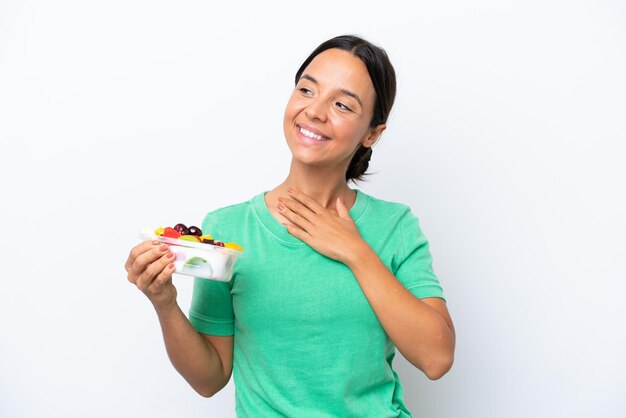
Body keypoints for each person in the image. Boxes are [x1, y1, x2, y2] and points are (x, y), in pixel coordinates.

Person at [125, 34, 455, 417]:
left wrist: (354, 250)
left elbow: (437, 358)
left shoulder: (395, 226)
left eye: (343, 105)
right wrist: (165, 304)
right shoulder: (230, 229)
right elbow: (209, 378)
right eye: (306, 90)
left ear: (371, 134)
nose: (315, 111)